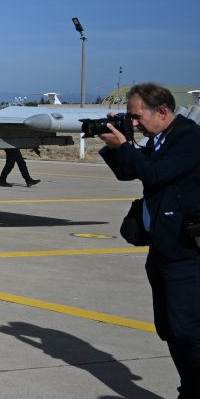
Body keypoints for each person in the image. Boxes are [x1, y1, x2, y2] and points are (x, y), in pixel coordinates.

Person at [100, 83, 200, 396]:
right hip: (162, 251)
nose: (134, 123)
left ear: (162, 111)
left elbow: (154, 174)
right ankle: (190, 387)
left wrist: (126, 147)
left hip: (188, 254)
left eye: (137, 116)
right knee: (170, 328)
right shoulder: (159, 140)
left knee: (188, 330)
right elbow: (129, 173)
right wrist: (117, 146)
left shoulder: (190, 139)